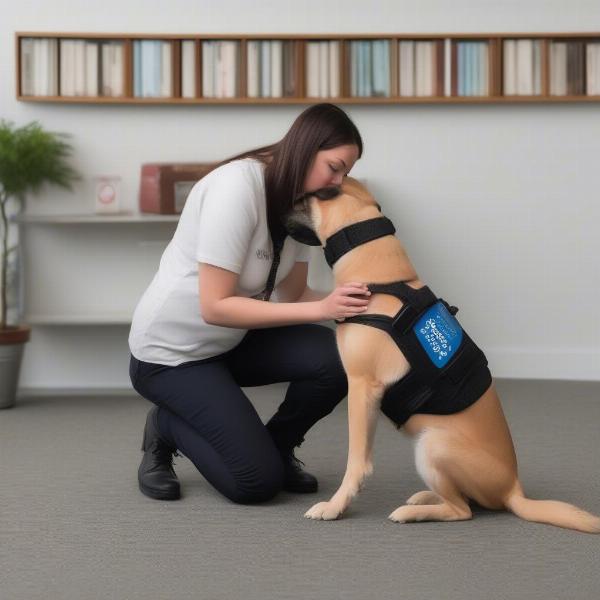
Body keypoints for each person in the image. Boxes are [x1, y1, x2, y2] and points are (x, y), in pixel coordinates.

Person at [128, 103, 371, 504]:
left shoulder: (300, 205)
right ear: (305, 148)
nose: (339, 182)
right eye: (335, 166)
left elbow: (292, 296)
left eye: (346, 172)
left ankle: (274, 447)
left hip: (231, 341)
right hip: (172, 357)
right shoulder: (236, 188)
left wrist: (349, 302)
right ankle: (166, 425)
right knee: (254, 484)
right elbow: (215, 307)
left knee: (337, 359)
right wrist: (323, 310)